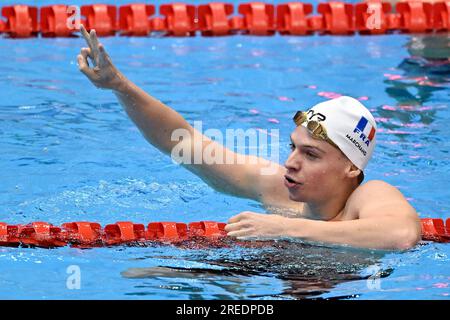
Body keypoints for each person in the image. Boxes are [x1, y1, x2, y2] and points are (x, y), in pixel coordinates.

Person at [77, 25, 421, 250]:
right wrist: (119, 87)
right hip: (265, 276)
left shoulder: (369, 198)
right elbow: (183, 143)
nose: (291, 163)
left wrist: (285, 228)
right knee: (148, 274)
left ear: (350, 167)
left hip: (338, 286)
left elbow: (401, 235)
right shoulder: (274, 187)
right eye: (294, 147)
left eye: (311, 155)